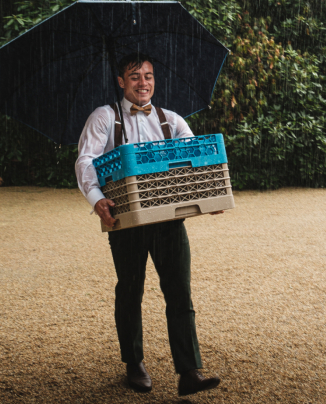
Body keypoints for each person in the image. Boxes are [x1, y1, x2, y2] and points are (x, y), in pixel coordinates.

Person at [75, 52, 221, 397]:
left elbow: (198, 159)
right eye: (135, 76)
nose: (143, 83)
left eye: (149, 76)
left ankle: (189, 371)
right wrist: (97, 199)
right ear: (121, 81)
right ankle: (134, 364)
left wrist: (211, 192)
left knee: (179, 292)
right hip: (124, 220)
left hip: (169, 221)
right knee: (130, 290)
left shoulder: (172, 120)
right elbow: (85, 160)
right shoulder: (104, 117)